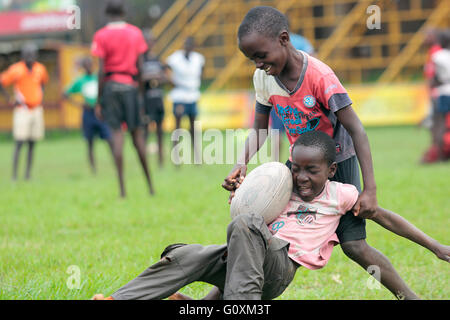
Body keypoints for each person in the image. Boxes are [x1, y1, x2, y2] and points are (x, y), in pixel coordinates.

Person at [220, 6, 438, 300]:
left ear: (284, 38)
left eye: (261, 55)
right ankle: (215, 299)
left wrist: (370, 189)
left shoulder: (320, 76)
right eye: (251, 59)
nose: (258, 64)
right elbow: (260, 127)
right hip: (298, 166)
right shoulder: (264, 78)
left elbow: (357, 129)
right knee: (257, 237)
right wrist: (240, 164)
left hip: (337, 164)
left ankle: (417, 287)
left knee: (355, 246)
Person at [91, 131, 449, 300]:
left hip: (278, 269)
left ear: (331, 172)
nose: (303, 177)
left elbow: (388, 219)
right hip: (247, 261)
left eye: (312, 170)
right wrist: (240, 191)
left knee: (246, 225)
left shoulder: (344, 195)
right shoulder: (280, 185)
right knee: (182, 253)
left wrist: (436, 247)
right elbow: (246, 214)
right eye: (297, 168)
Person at [91, 0, 154, 197]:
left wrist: (98, 100)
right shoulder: (135, 33)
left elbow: (101, 71)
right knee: (137, 137)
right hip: (131, 87)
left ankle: (122, 189)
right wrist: (140, 97)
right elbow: (141, 69)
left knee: (117, 137)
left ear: (106, 13)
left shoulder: (101, 35)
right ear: (124, 11)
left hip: (111, 86)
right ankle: (150, 186)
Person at [0, 42, 48, 181]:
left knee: (32, 143)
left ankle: (28, 175)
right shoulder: (16, 69)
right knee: (19, 143)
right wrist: (9, 99)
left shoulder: (40, 69)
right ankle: (15, 175)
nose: (30, 57)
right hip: (22, 110)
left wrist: (41, 96)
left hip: (36, 109)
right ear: (22, 55)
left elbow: (43, 83)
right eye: (27, 54)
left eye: (32, 54)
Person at [63, 57, 113, 174]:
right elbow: (65, 94)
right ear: (83, 67)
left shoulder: (99, 78)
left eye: (90, 64)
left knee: (109, 139)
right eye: (86, 65)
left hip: (100, 112)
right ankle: (93, 169)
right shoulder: (80, 81)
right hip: (88, 113)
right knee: (90, 142)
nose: (88, 67)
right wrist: (79, 104)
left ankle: (116, 163)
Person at [166, 36, 205, 165]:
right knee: (178, 127)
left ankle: (197, 156)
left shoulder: (198, 58)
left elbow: (202, 72)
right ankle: (176, 156)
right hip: (179, 95)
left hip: (192, 95)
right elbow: (166, 68)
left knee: (193, 126)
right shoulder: (175, 58)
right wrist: (173, 82)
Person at [141, 30, 169, 168]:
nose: (150, 43)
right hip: (146, 100)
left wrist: (160, 77)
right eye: (148, 40)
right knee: (145, 130)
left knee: (159, 130)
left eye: (152, 41)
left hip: (158, 98)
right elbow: (138, 78)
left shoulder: (157, 59)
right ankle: (143, 159)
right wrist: (151, 77)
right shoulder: (140, 59)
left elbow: (165, 77)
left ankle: (160, 159)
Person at [420, 28, 443, 163]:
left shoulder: (436, 52)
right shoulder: (432, 52)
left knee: (437, 125)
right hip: (435, 94)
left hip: (438, 94)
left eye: (427, 35)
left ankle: (438, 153)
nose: (424, 39)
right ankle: (436, 151)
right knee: (434, 124)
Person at [431, 29, 450, 161]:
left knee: (440, 123)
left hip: (443, 91)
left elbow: (436, 76)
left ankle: (439, 154)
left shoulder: (438, 55)